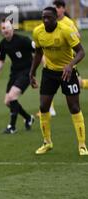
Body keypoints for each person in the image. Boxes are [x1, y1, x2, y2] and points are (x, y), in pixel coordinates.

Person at [30, 7, 88, 156]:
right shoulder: (38, 32)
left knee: (74, 107)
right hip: (49, 73)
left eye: (48, 17)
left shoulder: (66, 30)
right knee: (43, 106)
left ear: (56, 17)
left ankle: (82, 144)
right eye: (43, 17)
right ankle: (47, 142)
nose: (45, 20)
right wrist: (32, 72)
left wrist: (70, 65)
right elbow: (38, 53)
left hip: (68, 73)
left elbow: (81, 52)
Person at [0, 18, 35, 134]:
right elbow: (1, 59)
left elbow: (38, 52)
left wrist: (43, 67)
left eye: (7, 27)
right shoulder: (2, 44)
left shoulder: (23, 40)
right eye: (3, 28)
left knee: (12, 97)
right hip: (15, 73)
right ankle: (28, 118)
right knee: (7, 102)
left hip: (27, 72)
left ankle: (12, 127)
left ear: (12, 28)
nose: (5, 30)